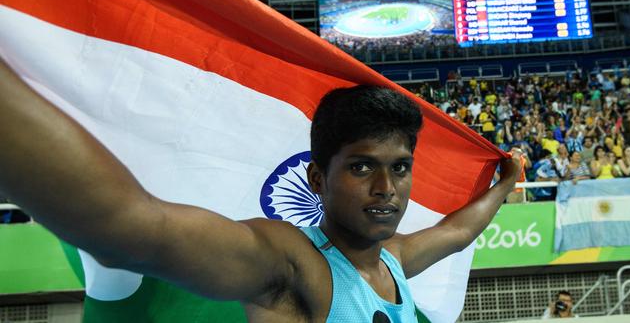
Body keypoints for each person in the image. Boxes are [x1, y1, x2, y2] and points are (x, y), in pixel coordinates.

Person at [0, 60, 522, 323]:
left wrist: (506, 183)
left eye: (400, 168)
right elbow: (135, 227)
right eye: (362, 168)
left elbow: (456, 231)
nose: (387, 188)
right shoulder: (291, 264)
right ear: (318, 179)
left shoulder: (393, 260)